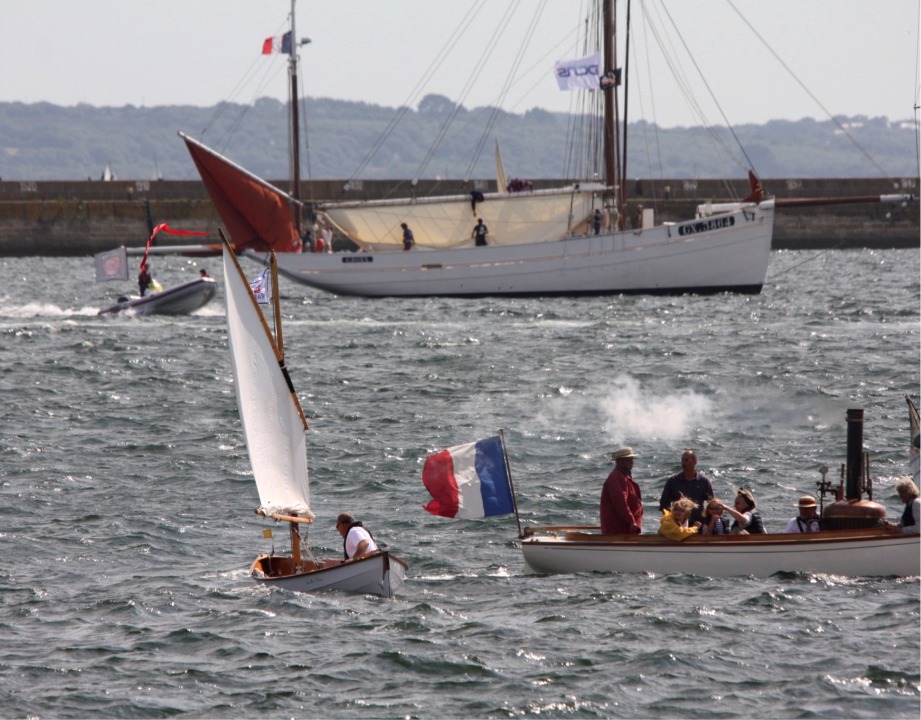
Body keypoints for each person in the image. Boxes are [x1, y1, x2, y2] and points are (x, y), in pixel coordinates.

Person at [659, 449, 714, 526]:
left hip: (698, 524)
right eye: (682, 460)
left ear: (695, 461)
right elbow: (664, 504)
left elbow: (711, 504)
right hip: (677, 525)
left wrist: (707, 521)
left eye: (686, 460)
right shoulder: (673, 481)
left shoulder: (704, 482)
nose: (683, 463)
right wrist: (672, 519)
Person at [600, 447, 643, 535]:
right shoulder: (616, 478)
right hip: (619, 529)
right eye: (628, 460)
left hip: (626, 528)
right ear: (619, 461)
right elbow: (620, 502)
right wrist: (631, 521)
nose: (632, 463)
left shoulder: (624, 476)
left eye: (632, 459)